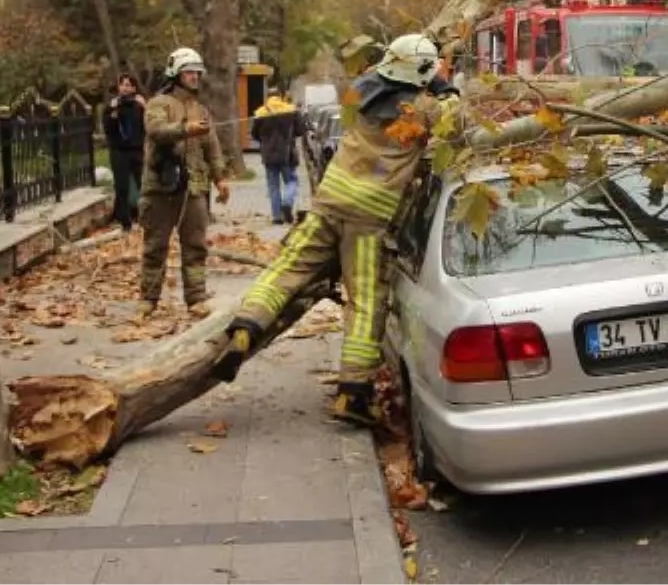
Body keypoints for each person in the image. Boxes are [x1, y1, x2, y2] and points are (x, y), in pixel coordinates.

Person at [213, 34, 461, 426]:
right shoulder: (424, 109)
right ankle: (353, 394)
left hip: (330, 199)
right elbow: (456, 120)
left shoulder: (354, 93)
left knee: (287, 267)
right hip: (370, 215)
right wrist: (443, 85)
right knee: (365, 301)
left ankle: (245, 327)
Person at [138, 47, 230, 319]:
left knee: (196, 247)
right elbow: (156, 131)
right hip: (161, 189)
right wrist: (184, 129)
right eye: (189, 71)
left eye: (197, 72)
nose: (194, 76)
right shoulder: (159, 104)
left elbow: (212, 147)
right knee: (155, 246)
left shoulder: (200, 109)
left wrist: (221, 177)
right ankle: (148, 300)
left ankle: (196, 298)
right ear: (175, 74)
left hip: (195, 189)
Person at [252, 87, 306, 225]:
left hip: (268, 155)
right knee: (292, 181)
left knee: (273, 186)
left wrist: (266, 140)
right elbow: (300, 131)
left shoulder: (260, 112)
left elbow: (254, 135)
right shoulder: (291, 109)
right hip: (287, 154)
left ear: (268, 97)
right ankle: (287, 202)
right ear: (280, 96)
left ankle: (277, 217)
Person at [103, 73, 146, 232]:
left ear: (134, 88)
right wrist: (112, 112)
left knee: (143, 184)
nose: (125, 88)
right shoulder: (112, 105)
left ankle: (145, 217)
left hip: (137, 149)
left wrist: (145, 107)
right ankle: (125, 221)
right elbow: (108, 129)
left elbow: (150, 125)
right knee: (122, 186)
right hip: (119, 151)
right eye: (123, 85)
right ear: (119, 87)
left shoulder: (139, 105)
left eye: (129, 85)